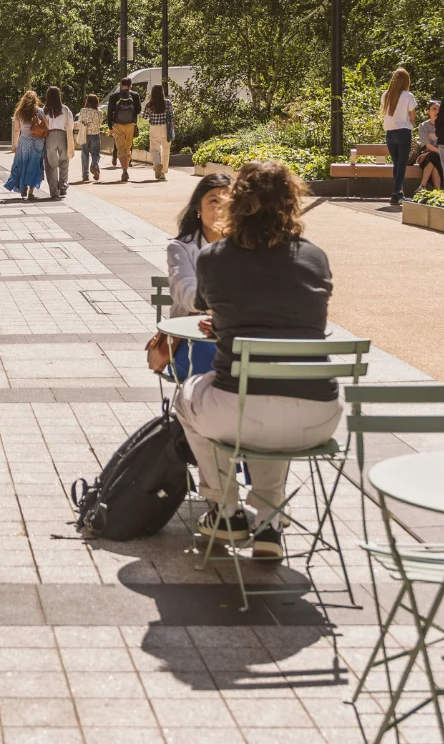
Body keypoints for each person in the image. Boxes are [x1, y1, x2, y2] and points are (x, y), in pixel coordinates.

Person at [180, 162, 341, 561]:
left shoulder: (214, 258)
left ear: (237, 202)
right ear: (291, 203)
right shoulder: (315, 258)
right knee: (276, 393)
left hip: (239, 410)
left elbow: (208, 306)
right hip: (317, 414)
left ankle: (224, 508)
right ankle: (269, 521)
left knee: (189, 398)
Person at [164, 173, 231, 379]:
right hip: (192, 336)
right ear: (198, 208)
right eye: (213, 200)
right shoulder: (181, 248)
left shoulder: (248, 247)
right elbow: (185, 291)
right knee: (219, 367)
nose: (221, 208)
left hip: (237, 335)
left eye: (229, 200)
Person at [381, 69, 419, 200]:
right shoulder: (408, 96)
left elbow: (384, 112)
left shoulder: (386, 95)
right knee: (401, 164)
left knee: (396, 163)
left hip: (389, 133)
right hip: (403, 131)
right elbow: (412, 115)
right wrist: (412, 123)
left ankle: (398, 192)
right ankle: (396, 192)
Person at [3, 91, 47, 200]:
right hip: (37, 142)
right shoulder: (39, 111)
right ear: (35, 100)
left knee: (23, 164)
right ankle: (31, 191)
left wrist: (14, 144)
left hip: (24, 142)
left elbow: (17, 129)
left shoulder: (19, 112)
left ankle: (23, 187)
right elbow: (47, 125)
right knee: (35, 165)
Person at [105, 80, 143, 181]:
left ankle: (124, 171)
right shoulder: (135, 95)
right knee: (128, 147)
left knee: (120, 148)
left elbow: (109, 112)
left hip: (118, 125)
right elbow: (139, 110)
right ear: (130, 86)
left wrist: (110, 127)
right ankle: (126, 167)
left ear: (121, 85)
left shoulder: (114, 96)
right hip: (130, 124)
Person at [42, 86, 74, 200]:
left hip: (49, 136)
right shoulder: (65, 109)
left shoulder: (44, 110)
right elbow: (70, 124)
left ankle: (54, 191)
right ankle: (63, 185)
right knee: (64, 161)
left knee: (51, 164)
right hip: (62, 136)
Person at [144, 83, 175, 181]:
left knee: (154, 149)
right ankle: (163, 173)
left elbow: (145, 116)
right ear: (162, 92)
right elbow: (172, 114)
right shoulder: (168, 102)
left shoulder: (149, 104)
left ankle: (157, 165)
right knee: (166, 150)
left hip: (154, 128)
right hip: (166, 128)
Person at [414, 100, 444, 191]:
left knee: (434, 158)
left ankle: (422, 186)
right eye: (434, 109)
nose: (437, 112)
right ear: (428, 111)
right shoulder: (423, 126)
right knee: (433, 156)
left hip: (439, 156)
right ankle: (438, 191)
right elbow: (427, 145)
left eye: (439, 109)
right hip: (426, 155)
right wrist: (439, 152)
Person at [76, 94, 106, 182]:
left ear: (87, 101)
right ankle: (94, 165)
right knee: (95, 153)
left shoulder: (83, 110)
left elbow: (79, 122)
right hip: (95, 135)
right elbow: (100, 124)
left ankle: (85, 175)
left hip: (85, 134)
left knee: (84, 154)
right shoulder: (99, 112)